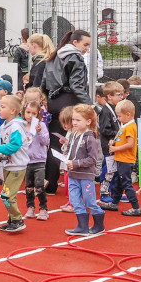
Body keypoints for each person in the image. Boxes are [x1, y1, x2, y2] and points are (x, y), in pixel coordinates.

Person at [42, 30, 93, 192]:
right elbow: (77, 86)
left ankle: (49, 183)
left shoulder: (53, 56)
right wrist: (90, 105)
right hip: (69, 102)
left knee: (54, 143)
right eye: (85, 45)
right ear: (75, 42)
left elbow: (44, 83)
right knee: (76, 143)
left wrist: (45, 102)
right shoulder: (75, 57)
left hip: (53, 102)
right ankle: (77, 184)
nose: (87, 49)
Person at [0, 94, 29, 233]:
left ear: (12, 111)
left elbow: (15, 145)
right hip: (8, 165)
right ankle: (12, 218)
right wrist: (0, 154)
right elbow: (6, 145)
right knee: (7, 195)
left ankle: (17, 219)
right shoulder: (5, 126)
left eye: (3, 106)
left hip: (17, 167)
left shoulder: (16, 126)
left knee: (6, 195)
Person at [63, 104, 104, 235]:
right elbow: (71, 151)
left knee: (89, 201)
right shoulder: (73, 135)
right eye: (73, 119)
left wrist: (75, 163)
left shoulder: (90, 139)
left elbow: (92, 159)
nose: (74, 122)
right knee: (75, 200)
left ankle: (99, 225)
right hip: (72, 174)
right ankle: (82, 226)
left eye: (78, 120)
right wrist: (66, 156)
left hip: (85, 175)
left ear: (88, 121)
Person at [101, 100, 141, 216]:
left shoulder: (130, 127)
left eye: (119, 116)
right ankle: (114, 202)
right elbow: (122, 139)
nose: (118, 118)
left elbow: (130, 144)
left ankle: (135, 207)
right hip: (121, 158)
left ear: (128, 114)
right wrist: (114, 142)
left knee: (126, 183)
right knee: (118, 182)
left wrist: (115, 149)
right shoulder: (125, 125)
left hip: (126, 160)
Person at [22, 101, 50, 221]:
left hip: (39, 160)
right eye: (28, 112)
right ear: (24, 112)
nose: (30, 115)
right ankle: (30, 207)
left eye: (33, 113)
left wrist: (39, 132)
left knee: (39, 185)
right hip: (26, 161)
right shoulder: (21, 126)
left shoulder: (41, 125)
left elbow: (46, 142)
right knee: (28, 186)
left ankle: (43, 208)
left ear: (38, 113)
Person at [97, 82, 123, 202]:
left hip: (116, 145)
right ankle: (104, 193)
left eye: (122, 94)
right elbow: (104, 129)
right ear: (109, 96)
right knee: (108, 170)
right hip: (108, 146)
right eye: (119, 94)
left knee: (115, 171)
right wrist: (118, 133)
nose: (121, 97)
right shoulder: (105, 111)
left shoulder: (117, 108)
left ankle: (115, 192)